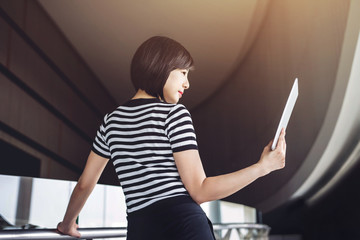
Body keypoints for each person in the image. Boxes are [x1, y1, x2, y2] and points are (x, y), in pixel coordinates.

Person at [57, 36, 286, 240]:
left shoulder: (110, 122)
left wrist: (68, 224)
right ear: (161, 67)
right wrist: (262, 167)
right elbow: (200, 190)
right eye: (183, 73)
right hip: (183, 226)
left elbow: (85, 184)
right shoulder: (173, 114)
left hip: (140, 230)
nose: (187, 83)